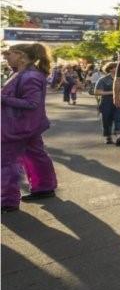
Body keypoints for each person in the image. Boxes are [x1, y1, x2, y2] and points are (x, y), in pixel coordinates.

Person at [1, 43, 58, 212]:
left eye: (8, 54)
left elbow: (32, 103)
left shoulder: (29, 76)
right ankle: (44, 188)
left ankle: (7, 201)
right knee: (35, 155)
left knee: (7, 162)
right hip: (27, 125)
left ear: (20, 55)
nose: (5, 57)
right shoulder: (25, 73)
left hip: (18, 127)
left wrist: (2, 98)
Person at [93, 62, 120, 146]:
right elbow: (96, 92)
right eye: (115, 67)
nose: (118, 69)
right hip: (106, 102)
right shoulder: (103, 80)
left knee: (119, 118)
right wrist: (113, 92)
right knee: (107, 120)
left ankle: (119, 137)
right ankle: (108, 136)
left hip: (119, 101)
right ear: (110, 69)